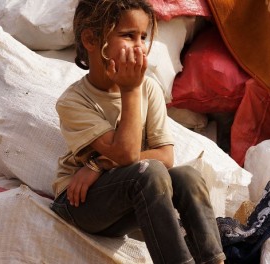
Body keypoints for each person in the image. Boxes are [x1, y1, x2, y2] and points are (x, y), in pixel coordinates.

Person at [50, 1, 226, 263]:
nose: (139, 46)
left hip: (130, 195)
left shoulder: (150, 89)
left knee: (187, 176)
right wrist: (130, 90)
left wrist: (97, 165)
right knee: (149, 172)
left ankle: (214, 260)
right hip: (82, 203)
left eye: (143, 37)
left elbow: (166, 156)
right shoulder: (74, 101)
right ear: (90, 39)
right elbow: (127, 154)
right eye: (128, 35)